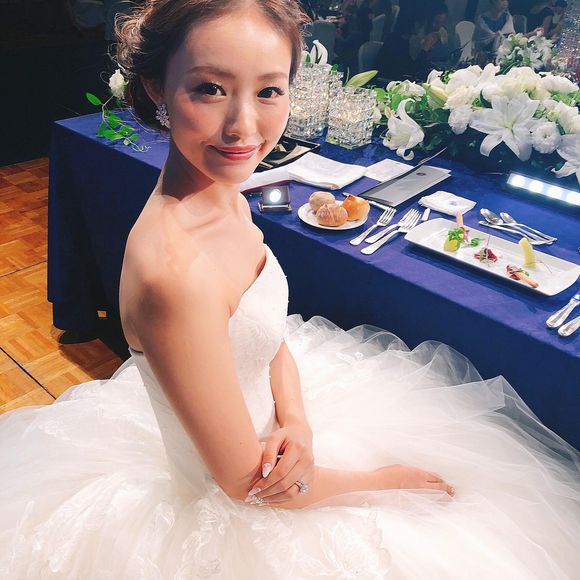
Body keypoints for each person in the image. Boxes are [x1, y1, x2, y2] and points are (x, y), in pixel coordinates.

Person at [1, 0, 580, 577]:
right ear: (156, 87)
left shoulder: (223, 196)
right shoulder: (172, 275)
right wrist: (384, 483)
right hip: (244, 508)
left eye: (269, 91)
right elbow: (247, 485)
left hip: (280, 438)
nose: (244, 127)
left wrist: (296, 420)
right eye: (209, 89)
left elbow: (267, 338)